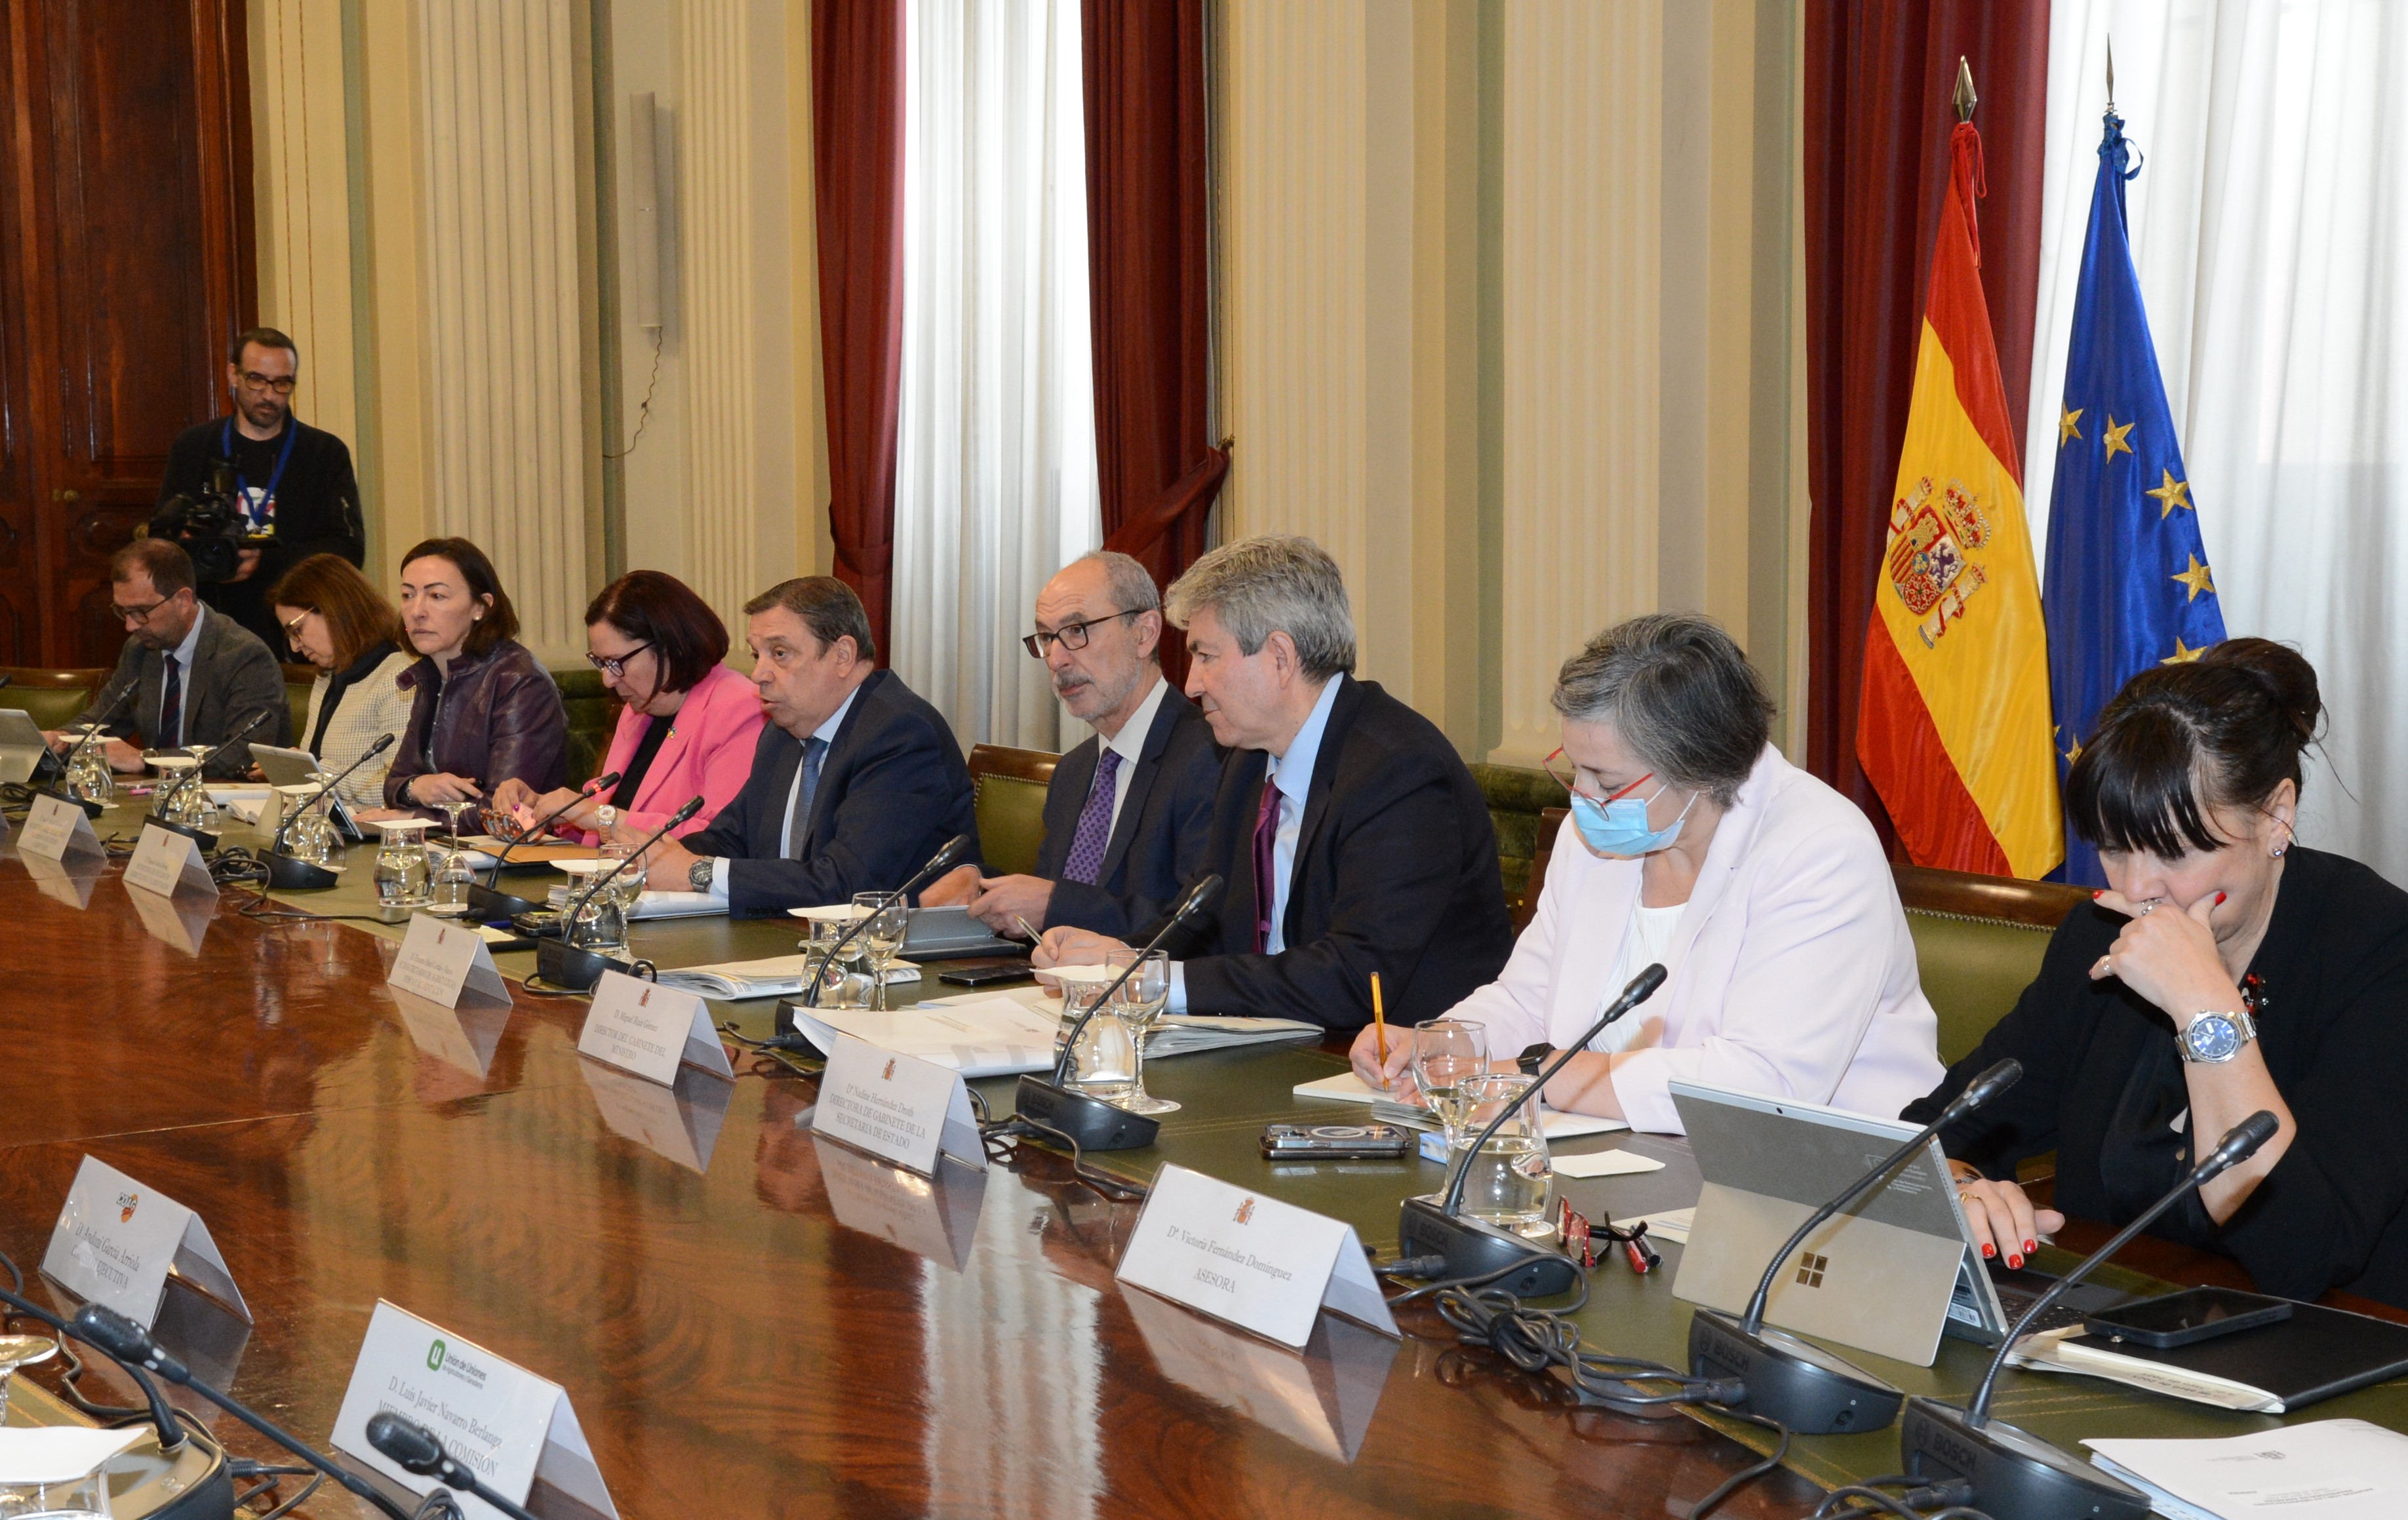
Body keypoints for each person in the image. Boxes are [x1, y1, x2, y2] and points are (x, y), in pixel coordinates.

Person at [1905, 640, 2408, 1305]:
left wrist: (2204, 1005)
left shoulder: (2379, 948)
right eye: (2115, 847)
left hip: (2332, 1342)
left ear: (2275, 816)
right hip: (2113, 1326)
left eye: (2174, 852)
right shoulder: (2099, 936)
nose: (2138, 887)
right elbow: (1931, 1134)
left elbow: (2305, 1252)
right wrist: (1966, 1191)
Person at [1351, 614, 1944, 1133]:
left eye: (1606, 781)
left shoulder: (1820, 849)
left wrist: (1545, 1077)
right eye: (1575, 768)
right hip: (1618, 1151)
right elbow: (1527, 1000)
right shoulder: (1598, 835)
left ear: (1699, 767)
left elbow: (1764, 1086)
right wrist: (1442, 1045)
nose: (1583, 797)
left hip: (1817, 1176)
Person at [1033, 534, 1514, 1028]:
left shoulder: (1399, 770)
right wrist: (1118, 959)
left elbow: (1355, 976)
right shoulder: (1246, 760)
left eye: (1206, 656)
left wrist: (1156, 982)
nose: (1192, 684)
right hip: (1276, 1040)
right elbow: (1200, 919)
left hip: (1389, 1059)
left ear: (1280, 658)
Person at [921, 551, 1220, 939]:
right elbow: (1049, 898)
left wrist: (1054, 905)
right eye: (1047, 638)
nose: (1056, 660)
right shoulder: (1075, 770)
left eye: (1077, 630)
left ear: (1144, 633)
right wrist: (977, 886)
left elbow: (1200, 925)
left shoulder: (1211, 756)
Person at [643, 576, 980, 914]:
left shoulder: (900, 734)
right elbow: (731, 838)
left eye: (780, 654)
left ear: (843, 655)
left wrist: (698, 872)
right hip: (788, 933)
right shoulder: (783, 733)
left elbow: (848, 883)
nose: (758, 674)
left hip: (885, 943)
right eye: (757, 655)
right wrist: (651, 859)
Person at [490, 571, 764, 844]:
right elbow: (602, 821)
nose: (608, 679)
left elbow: (718, 838)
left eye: (616, 662)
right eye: (601, 663)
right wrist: (546, 810)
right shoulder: (638, 711)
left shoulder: (738, 708)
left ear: (670, 646)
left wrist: (598, 816)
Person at [155, 327, 366, 659]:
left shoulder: (324, 453)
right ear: (233, 375)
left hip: (296, 631)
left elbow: (348, 549)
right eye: (256, 380)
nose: (269, 395)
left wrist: (266, 561)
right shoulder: (194, 447)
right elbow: (161, 540)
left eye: (282, 383)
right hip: (208, 625)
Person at [47, 539, 290, 779]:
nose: (130, 626)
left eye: (140, 612)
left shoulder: (244, 656)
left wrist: (148, 761)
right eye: (123, 611)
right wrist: (61, 738)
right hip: (157, 795)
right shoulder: (140, 650)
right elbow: (102, 720)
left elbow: (244, 755)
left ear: (183, 600)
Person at [372, 537, 568, 820]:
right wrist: (417, 787)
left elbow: (505, 810)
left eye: (436, 596)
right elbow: (395, 784)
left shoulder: (520, 681)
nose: (416, 612)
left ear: (481, 607)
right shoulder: (432, 673)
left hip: (512, 846)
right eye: (407, 595)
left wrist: (412, 819)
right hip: (451, 841)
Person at [267, 554, 414, 811]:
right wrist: (295, 768)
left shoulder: (398, 678)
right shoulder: (327, 677)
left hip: (370, 831)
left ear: (335, 609)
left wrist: (318, 771)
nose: (294, 646)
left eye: (297, 630)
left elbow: (401, 790)